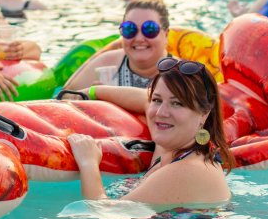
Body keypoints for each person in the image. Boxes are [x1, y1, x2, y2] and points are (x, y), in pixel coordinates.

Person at [67, 57, 232, 204]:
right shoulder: (177, 149)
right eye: (157, 100)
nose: (160, 113)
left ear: (204, 113)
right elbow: (143, 100)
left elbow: (103, 214)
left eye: (177, 103)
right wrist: (92, 92)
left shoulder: (188, 170)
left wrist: (88, 163)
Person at [65, 0, 170, 92]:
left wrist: (106, 94)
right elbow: (64, 98)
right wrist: (88, 99)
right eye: (129, 29)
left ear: (166, 35)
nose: (139, 38)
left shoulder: (180, 75)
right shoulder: (105, 63)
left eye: (149, 29)